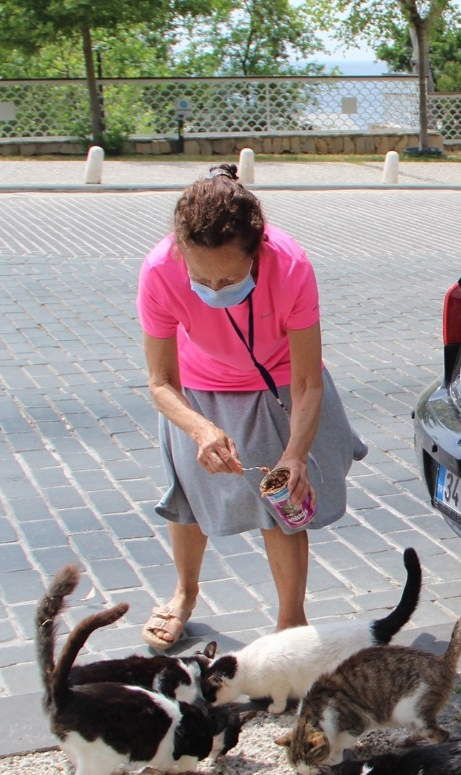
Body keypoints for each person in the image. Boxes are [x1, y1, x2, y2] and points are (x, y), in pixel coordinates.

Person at [135, 164, 364, 649]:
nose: (215, 290)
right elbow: (159, 382)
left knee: (280, 502)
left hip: (276, 384)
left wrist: (296, 454)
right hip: (197, 389)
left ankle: (290, 624)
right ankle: (184, 593)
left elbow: (306, 381)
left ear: (256, 253)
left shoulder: (291, 264)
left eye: (230, 277)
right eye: (202, 277)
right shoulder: (159, 269)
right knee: (189, 502)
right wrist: (200, 430)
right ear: (180, 252)